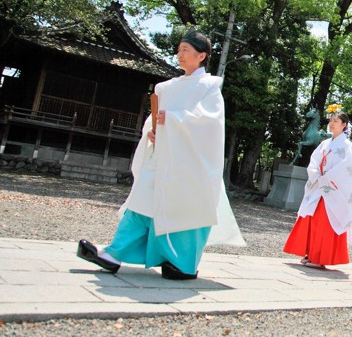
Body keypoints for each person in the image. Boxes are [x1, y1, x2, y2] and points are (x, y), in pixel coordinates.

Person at [77, 29, 245, 279]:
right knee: (142, 199)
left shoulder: (209, 86)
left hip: (189, 162)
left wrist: (175, 120)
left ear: (201, 56)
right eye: (178, 50)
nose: (180, 54)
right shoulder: (167, 87)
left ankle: (182, 264)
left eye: (185, 50)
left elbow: (210, 123)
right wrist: (152, 132)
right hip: (162, 154)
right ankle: (113, 254)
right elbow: (153, 120)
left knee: (185, 207)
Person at [283, 104, 352, 268]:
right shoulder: (324, 143)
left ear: (344, 124)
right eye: (331, 120)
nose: (332, 124)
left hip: (333, 189)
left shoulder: (347, 145)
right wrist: (316, 174)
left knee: (325, 221)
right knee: (311, 218)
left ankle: (321, 257)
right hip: (319, 185)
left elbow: (348, 169)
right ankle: (311, 253)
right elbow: (314, 162)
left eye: (336, 121)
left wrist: (327, 178)